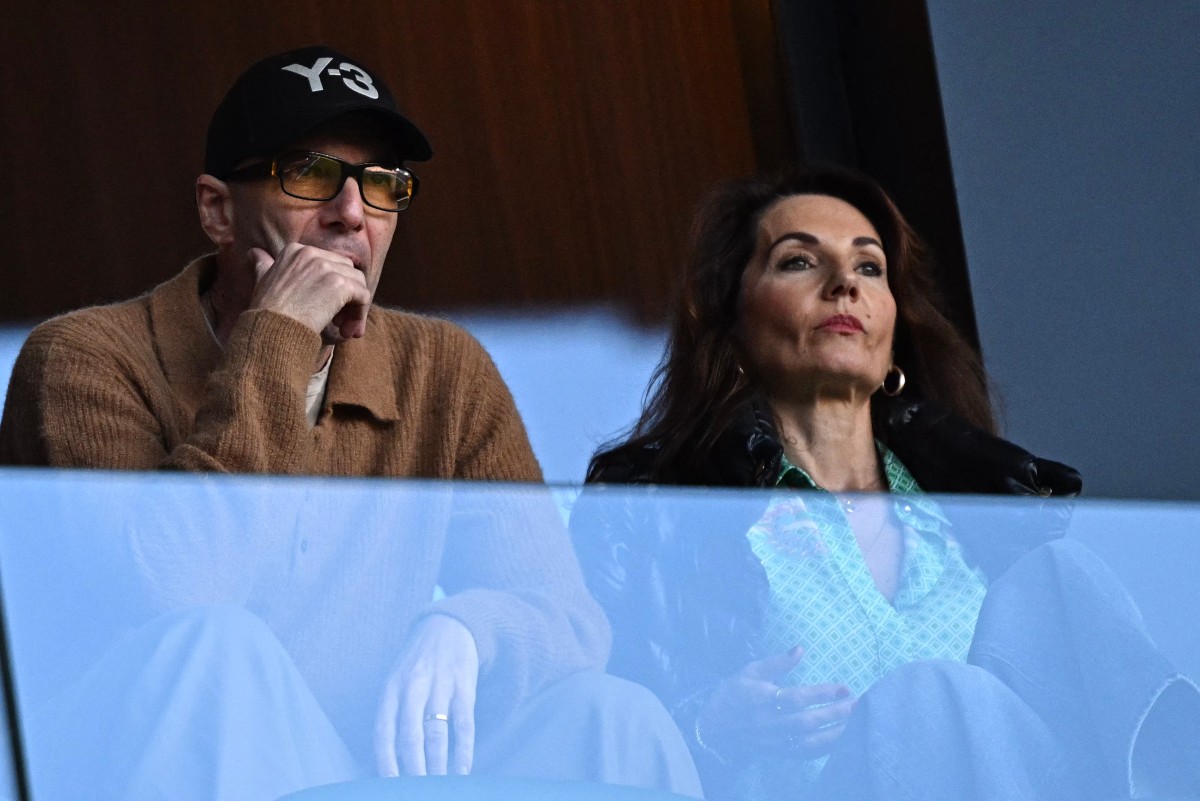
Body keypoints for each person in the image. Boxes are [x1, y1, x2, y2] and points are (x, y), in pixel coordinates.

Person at [0, 46, 701, 800]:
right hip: (135, 764)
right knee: (221, 649)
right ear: (216, 211)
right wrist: (276, 340)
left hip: (362, 764)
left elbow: (568, 622)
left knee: (612, 716)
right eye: (309, 175)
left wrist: (470, 627)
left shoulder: (445, 367)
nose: (352, 213)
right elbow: (170, 596)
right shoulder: (81, 357)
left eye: (383, 185)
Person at [570, 165, 1200, 800]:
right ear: (729, 317)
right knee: (930, 695)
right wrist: (707, 729)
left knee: (1060, 572)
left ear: (894, 330)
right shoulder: (661, 510)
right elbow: (597, 737)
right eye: (798, 263)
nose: (845, 283)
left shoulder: (972, 511)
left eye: (870, 269)